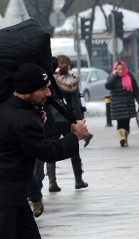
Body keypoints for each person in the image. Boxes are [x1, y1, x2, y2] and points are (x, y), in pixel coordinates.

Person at [0, 63, 89, 239]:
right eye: (43, 89)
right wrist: (75, 137)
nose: (48, 93)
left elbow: (18, 137)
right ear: (27, 91)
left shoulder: (10, 106)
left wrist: (37, 119)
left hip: (12, 193)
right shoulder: (21, 119)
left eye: (48, 87)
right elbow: (46, 151)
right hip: (0, 196)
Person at [45, 55, 89, 192]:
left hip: (52, 120)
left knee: (49, 149)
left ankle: (52, 183)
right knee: (73, 148)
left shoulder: (49, 81)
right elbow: (75, 104)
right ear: (68, 66)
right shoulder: (71, 82)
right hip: (66, 120)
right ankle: (78, 180)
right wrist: (77, 121)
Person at [105, 60, 139, 147]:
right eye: (118, 69)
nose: (121, 71)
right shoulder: (112, 77)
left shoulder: (129, 76)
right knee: (120, 122)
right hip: (117, 104)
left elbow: (135, 89)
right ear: (115, 69)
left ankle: (125, 139)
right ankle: (121, 137)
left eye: (122, 69)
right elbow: (108, 86)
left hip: (128, 103)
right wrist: (114, 75)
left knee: (127, 122)